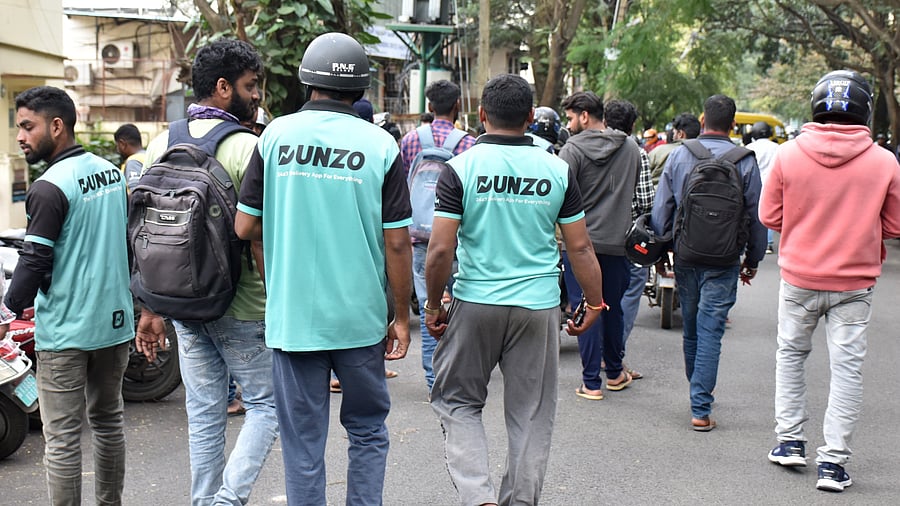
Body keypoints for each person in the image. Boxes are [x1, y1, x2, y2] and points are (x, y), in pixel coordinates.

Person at [234, 32, 412, 506]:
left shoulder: (274, 136)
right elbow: (397, 241)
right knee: (369, 429)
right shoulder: (380, 145)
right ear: (360, 89)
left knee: (303, 442)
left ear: (307, 80)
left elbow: (245, 224)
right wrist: (400, 315)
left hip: (293, 320)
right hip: (360, 320)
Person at [424, 73, 605, 506]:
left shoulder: (460, 170)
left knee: (457, 400)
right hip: (538, 307)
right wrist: (594, 302)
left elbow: (440, 249)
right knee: (530, 414)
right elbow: (579, 245)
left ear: (482, 115)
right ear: (529, 117)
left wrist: (433, 304)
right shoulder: (556, 169)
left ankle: (478, 495)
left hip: (475, 302)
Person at [135, 39, 278, 505]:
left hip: (180, 301)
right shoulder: (248, 148)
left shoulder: (160, 142)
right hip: (243, 304)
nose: (256, 95)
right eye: (250, 85)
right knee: (266, 406)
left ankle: (204, 502)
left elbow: (139, 229)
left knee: (203, 413)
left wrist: (149, 306)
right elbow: (262, 237)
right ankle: (226, 500)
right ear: (222, 88)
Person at [760, 70, 900, 492]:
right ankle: (833, 465)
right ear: (865, 110)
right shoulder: (883, 162)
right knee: (847, 372)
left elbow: (770, 216)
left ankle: (789, 442)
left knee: (791, 357)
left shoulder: (788, 155)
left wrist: (804, 225)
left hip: (799, 278)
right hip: (854, 286)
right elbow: (893, 225)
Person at [0, 85, 134, 504]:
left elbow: (35, 260)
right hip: (114, 324)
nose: (20, 136)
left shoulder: (48, 186)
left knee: (61, 438)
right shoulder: (110, 172)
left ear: (56, 126)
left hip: (66, 331)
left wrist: (6, 308)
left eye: (27, 126)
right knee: (109, 422)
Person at [651, 94, 767, 431]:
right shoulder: (745, 160)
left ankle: (697, 390)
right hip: (725, 259)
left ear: (702, 121)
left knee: (691, 326)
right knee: (711, 330)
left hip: (686, 255)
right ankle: (700, 406)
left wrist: (660, 254)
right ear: (732, 124)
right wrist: (754, 259)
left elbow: (663, 210)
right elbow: (756, 216)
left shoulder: (680, 156)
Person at [558, 92, 647, 400]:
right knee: (611, 308)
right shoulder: (631, 147)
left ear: (585, 115)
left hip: (579, 245)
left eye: (571, 118)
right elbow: (634, 193)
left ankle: (591, 382)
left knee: (585, 308)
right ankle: (615, 373)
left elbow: (560, 195)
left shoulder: (570, 150)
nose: (568, 125)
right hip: (617, 244)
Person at [399, 79, 476, 390]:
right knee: (459, 309)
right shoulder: (469, 144)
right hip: (456, 239)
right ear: (457, 105)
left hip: (418, 238)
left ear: (429, 107)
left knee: (431, 306)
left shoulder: (410, 140)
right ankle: (456, 376)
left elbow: (401, 188)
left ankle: (433, 382)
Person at [604, 99, 654, 378]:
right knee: (629, 293)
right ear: (632, 125)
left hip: (591, 235)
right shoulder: (637, 152)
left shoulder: (586, 147)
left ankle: (597, 355)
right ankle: (614, 357)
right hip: (625, 239)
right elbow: (646, 200)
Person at [746, 120, 780, 252]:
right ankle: (768, 243)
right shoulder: (776, 148)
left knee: (751, 213)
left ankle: (750, 242)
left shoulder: (750, 147)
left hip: (753, 183)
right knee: (769, 212)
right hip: (771, 184)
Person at [649, 113, 701, 185]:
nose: (672, 136)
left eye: (674, 133)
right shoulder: (704, 153)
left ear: (680, 134)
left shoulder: (658, 151)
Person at [113, 122, 146, 189]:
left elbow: (135, 192)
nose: (117, 150)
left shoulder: (133, 161)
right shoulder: (147, 156)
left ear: (122, 144)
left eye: (117, 146)